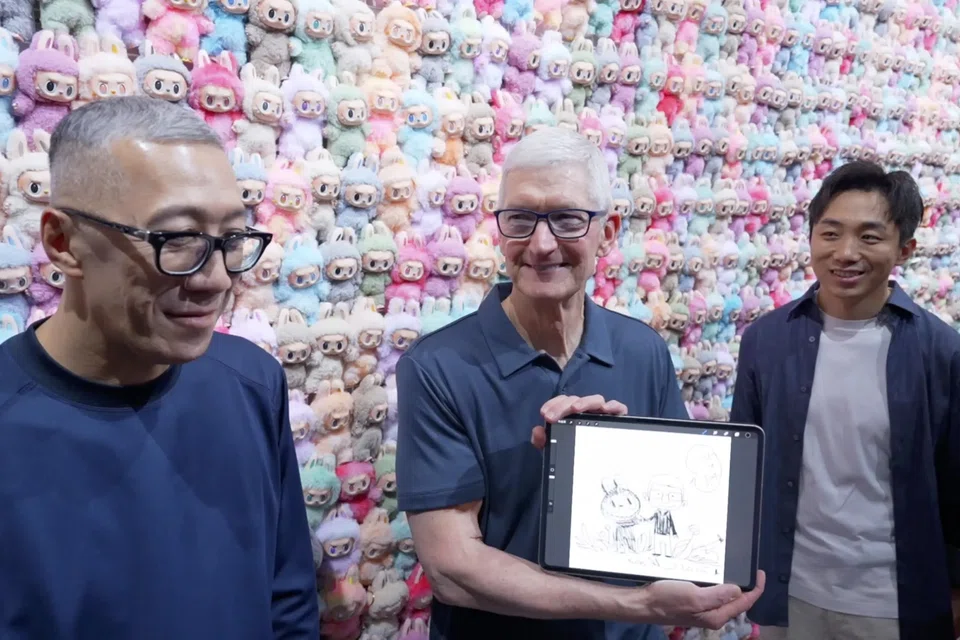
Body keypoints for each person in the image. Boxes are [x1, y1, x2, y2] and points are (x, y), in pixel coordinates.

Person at [395, 127, 765, 640]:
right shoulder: (437, 367)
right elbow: (453, 571)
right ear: (499, 231)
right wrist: (639, 605)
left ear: (607, 232)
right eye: (521, 219)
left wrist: (619, 460)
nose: (541, 245)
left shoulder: (643, 351)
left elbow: (679, 521)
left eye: (567, 219)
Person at [0, 97, 319, 638]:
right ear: (62, 241)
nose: (216, 278)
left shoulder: (251, 382)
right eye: (177, 240)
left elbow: (287, 597)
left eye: (231, 240)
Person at [730, 161, 960, 640]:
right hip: (789, 596)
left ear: (905, 249)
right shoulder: (768, 340)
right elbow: (742, 465)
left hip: (890, 602)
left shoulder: (940, 351)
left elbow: (955, 482)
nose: (846, 253)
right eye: (830, 233)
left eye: (870, 237)